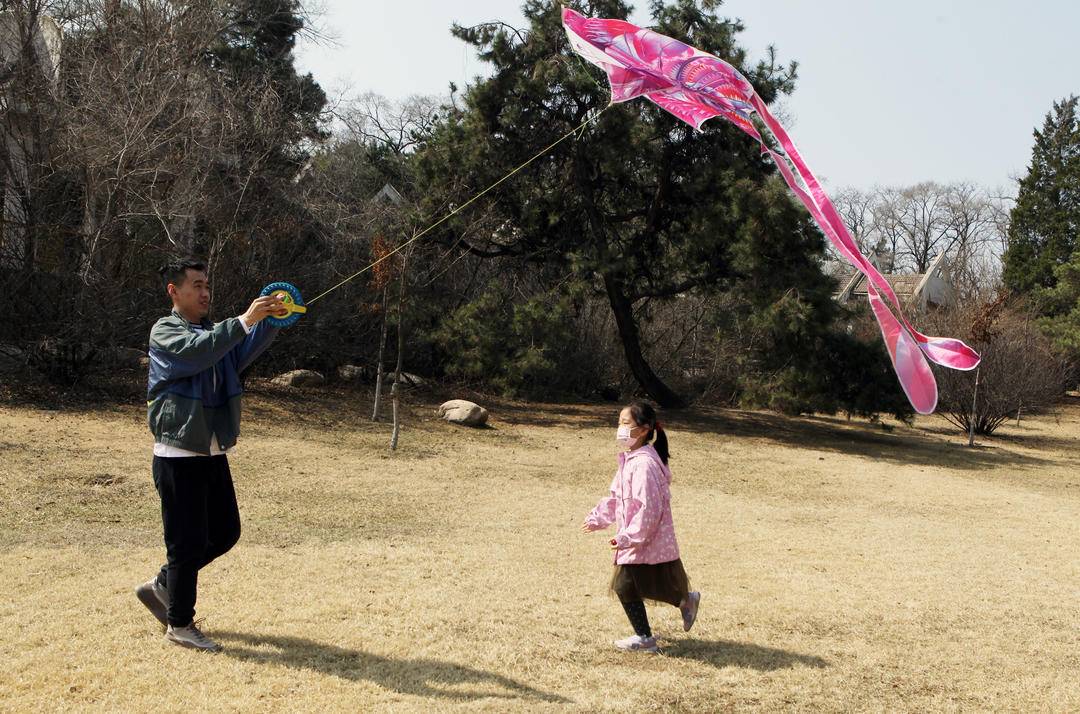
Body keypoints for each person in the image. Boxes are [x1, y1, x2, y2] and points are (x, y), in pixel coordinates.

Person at [135, 257, 284, 651]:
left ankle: (167, 584)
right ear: (174, 291)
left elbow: (237, 348)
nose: (205, 292)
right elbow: (200, 351)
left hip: (212, 449)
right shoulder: (165, 332)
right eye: (196, 285)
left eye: (207, 286)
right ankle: (180, 624)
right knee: (186, 542)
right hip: (177, 454)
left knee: (224, 532)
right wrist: (243, 321)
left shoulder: (213, 333)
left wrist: (272, 317)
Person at [582, 401, 700, 653]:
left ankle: (647, 636)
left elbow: (649, 508)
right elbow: (616, 498)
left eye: (626, 424)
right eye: (619, 423)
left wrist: (628, 537)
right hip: (638, 539)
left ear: (645, 429)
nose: (620, 429)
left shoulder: (644, 465)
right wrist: (597, 518)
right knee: (644, 584)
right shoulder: (630, 460)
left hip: (645, 538)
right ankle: (684, 602)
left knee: (625, 585)